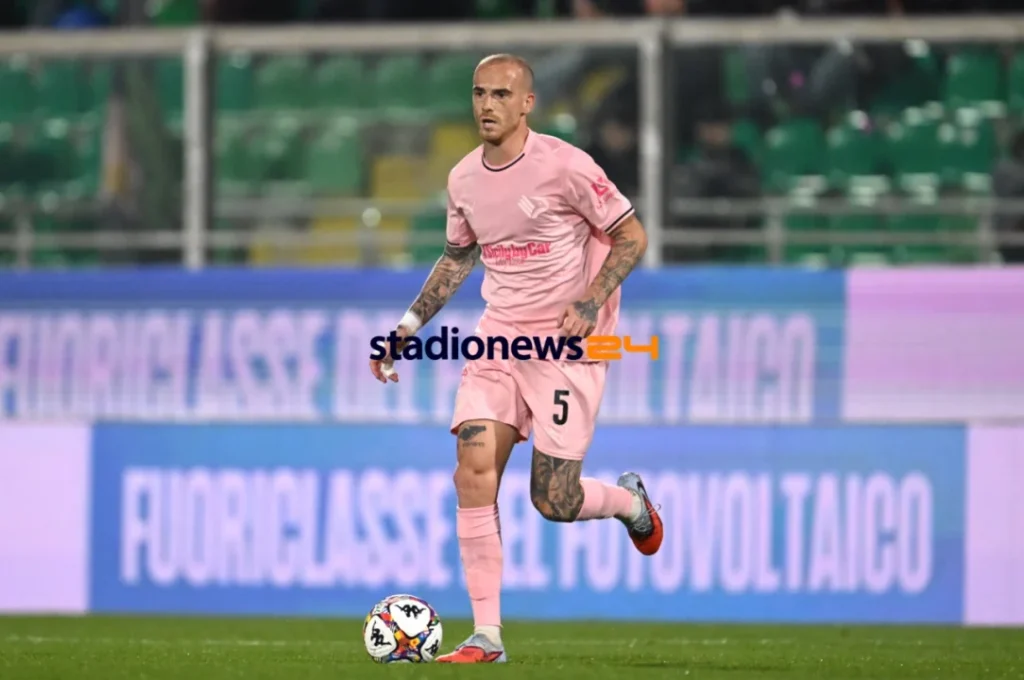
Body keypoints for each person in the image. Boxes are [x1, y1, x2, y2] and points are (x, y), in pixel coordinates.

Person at [368, 54, 664, 664]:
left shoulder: (566, 166)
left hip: (564, 350)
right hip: (498, 340)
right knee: (472, 469)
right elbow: (457, 258)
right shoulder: (463, 179)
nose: (487, 105)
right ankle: (487, 636)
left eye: (501, 94)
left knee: (555, 501)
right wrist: (408, 325)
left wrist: (591, 299)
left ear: (528, 103)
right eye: (479, 93)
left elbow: (632, 236)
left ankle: (631, 503)